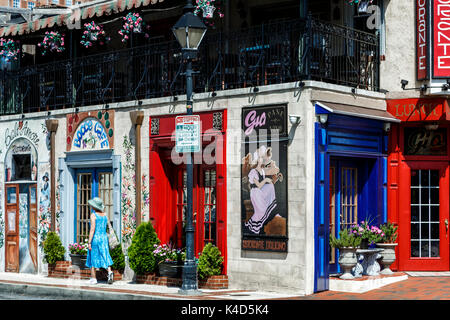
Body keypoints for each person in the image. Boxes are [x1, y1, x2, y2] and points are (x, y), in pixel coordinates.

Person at [85, 197, 114, 285]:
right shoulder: (105, 215)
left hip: (96, 238)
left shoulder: (93, 215)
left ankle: (93, 278)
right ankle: (109, 272)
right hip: (104, 238)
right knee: (105, 254)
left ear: (94, 206)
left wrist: (89, 242)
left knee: (93, 256)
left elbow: (92, 229)